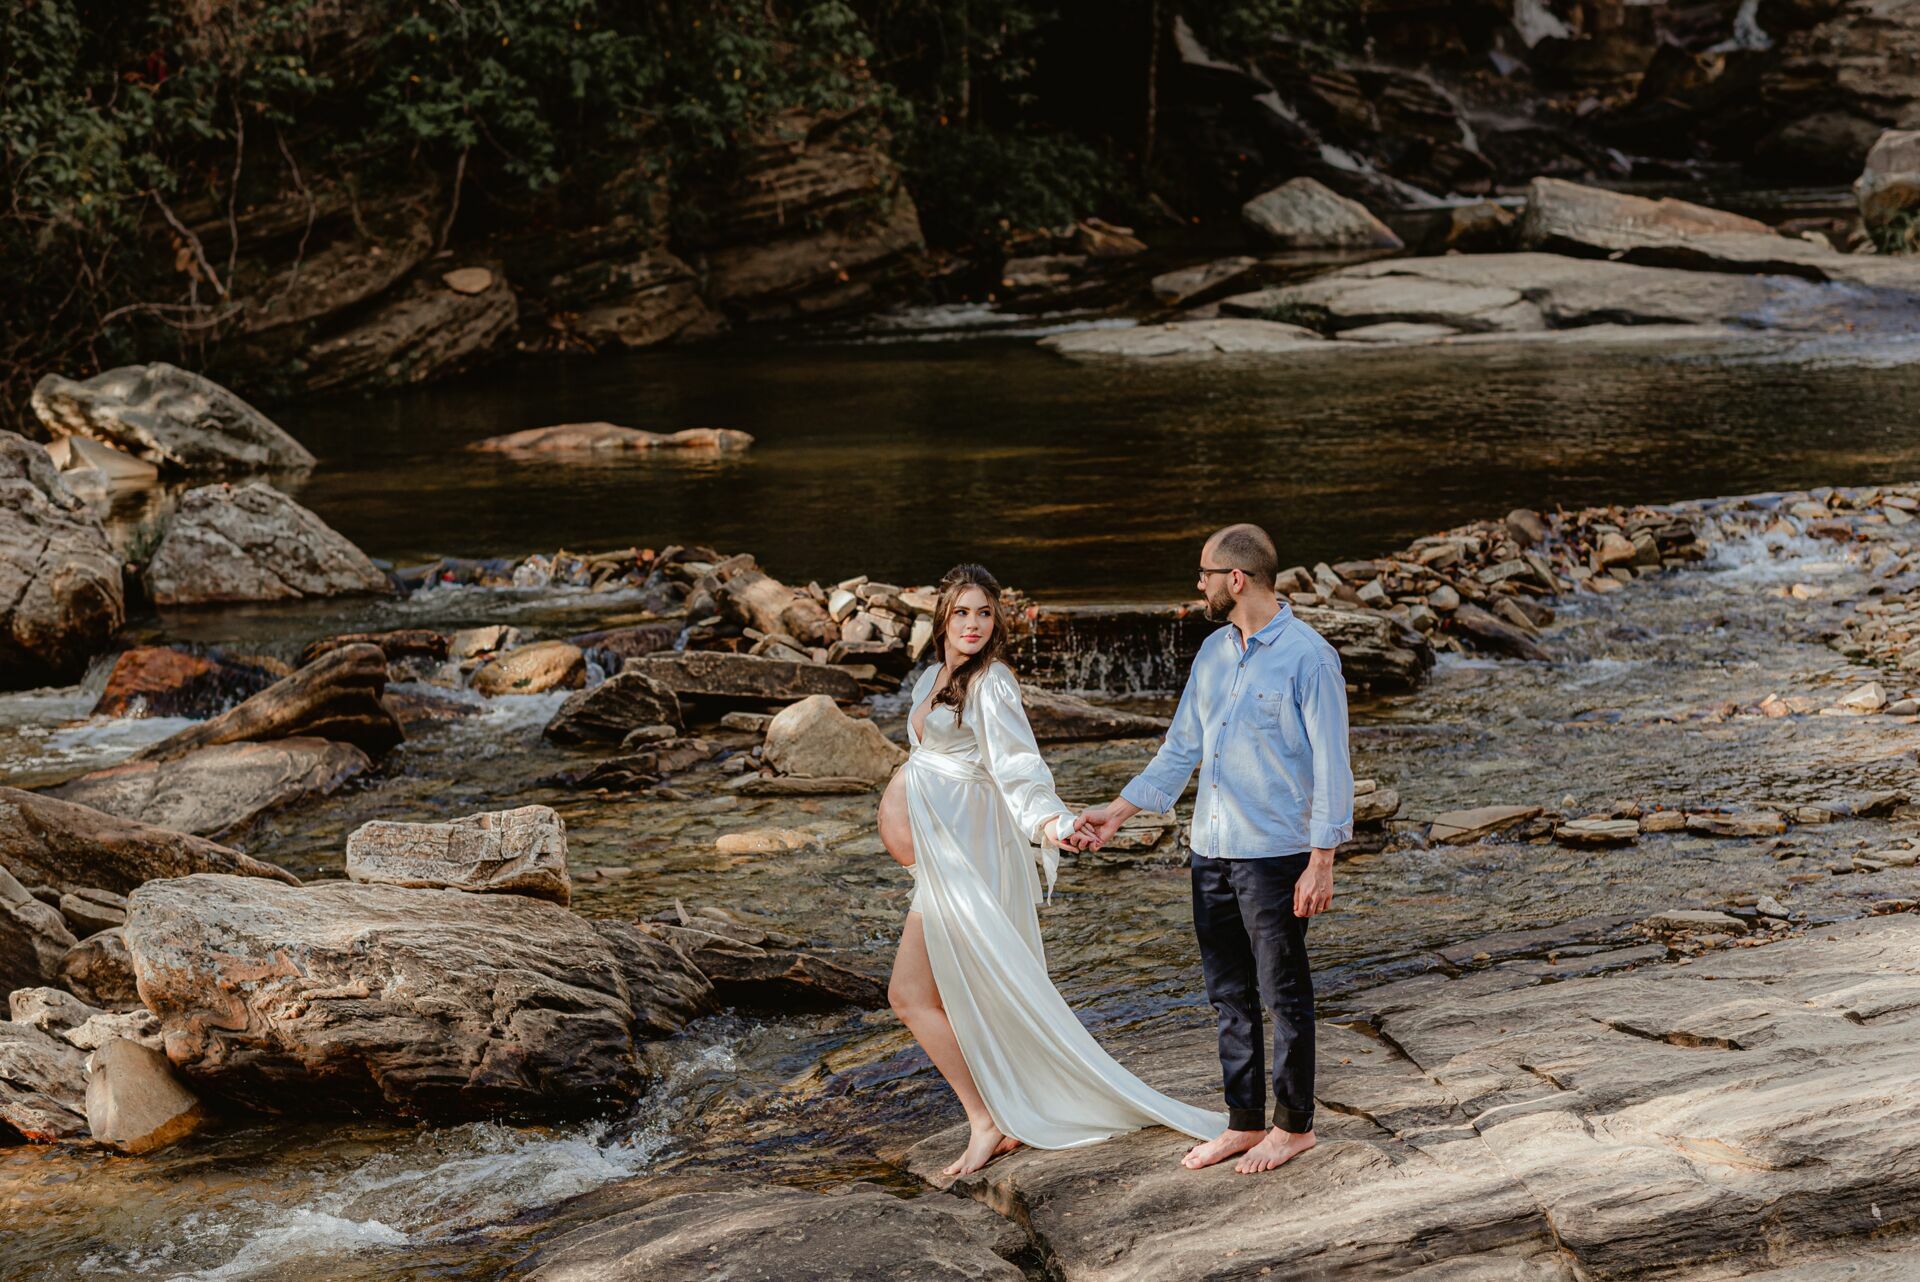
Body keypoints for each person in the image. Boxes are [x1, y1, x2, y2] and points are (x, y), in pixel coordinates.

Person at [876, 563, 1226, 1178]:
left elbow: (1019, 770)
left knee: (910, 994)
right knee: (938, 993)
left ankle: (989, 1121)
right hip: (941, 861)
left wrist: (1052, 824)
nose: (974, 624)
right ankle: (993, 1116)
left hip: (968, 863)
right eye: (962, 612)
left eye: (985, 613)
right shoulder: (932, 676)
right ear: (942, 616)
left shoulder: (993, 685)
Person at [1080, 523, 1354, 1176]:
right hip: (1211, 851)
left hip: (1275, 856)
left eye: (1204, 573)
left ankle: (1293, 1128)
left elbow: (1334, 767)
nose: (1197, 585)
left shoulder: (1310, 658)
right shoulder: (1212, 653)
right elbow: (1182, 749)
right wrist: (1118, 811)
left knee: (1282, 993)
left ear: (1236, 579)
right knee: (1228, 995)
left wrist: (1323, 859)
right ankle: (1243, 1122)